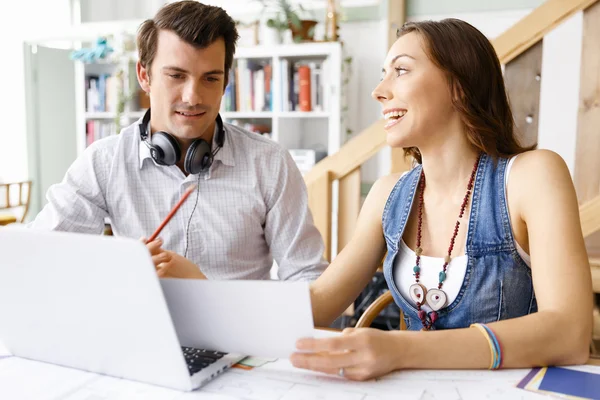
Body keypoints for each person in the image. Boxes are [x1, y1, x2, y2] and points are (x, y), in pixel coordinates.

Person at [290, 18, 593, 380]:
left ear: (459, 86)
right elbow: (322, 300)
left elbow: (570, 333)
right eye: (384, 74)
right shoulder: (388, 194)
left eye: (401, 70)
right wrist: (214, 306)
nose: (380, 91)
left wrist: (399, 349)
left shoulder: (532, 177)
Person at [27, 1, 327, 282]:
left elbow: (307, 279)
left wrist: (203, 288)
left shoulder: (270, 163)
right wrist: (116, 271)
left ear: (226, 81)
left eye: (210, 78)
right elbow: (39, 258)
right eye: (176, 76)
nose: (193, 97)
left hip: (239, 339)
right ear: (144, 75)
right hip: (139, 334)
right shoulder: (104, 161)